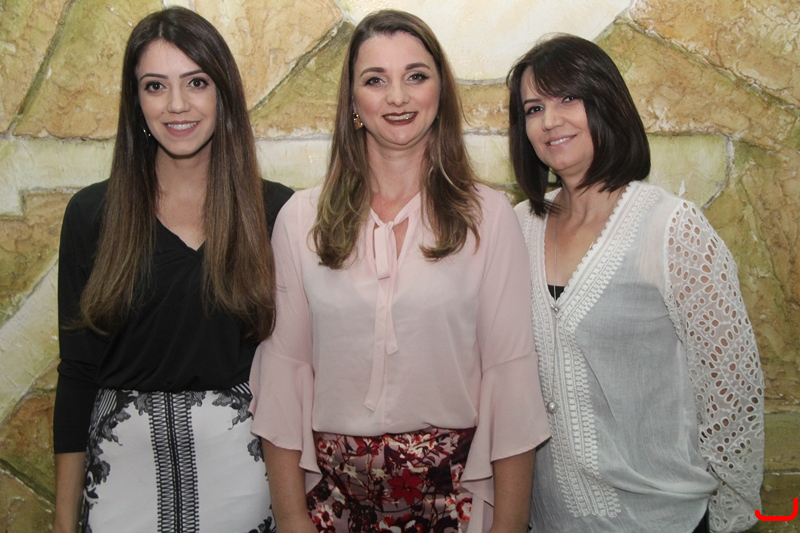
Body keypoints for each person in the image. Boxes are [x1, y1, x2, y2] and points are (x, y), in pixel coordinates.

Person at [248, 9, 550, 533]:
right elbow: (284, 376)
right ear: (352, 103)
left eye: (415, 75)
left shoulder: (489, 216)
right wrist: (293, 520)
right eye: (375, 80)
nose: (397, 97)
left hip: (453, 502)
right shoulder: (299, 219)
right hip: (332, 504)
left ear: (440, 91)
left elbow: (510, 381)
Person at [507, 34, 764, 533]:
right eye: (534, 108)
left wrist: (731, 517)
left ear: (606, 102)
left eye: (568, 98)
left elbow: (731, 392)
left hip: (662, 517)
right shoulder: (518, 226)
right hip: (548, 519)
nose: (550, 120)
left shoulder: (672, 228)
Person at [52, 7, 293, 532]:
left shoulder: (278, 213)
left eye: (196, 82)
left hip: (247, 482)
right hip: (120, 485)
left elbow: (296, 372)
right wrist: (64, 521)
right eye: (155, 86)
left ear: (223, 93)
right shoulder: (91, 214)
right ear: (135, 101)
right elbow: (77, 373)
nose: (177, 104)